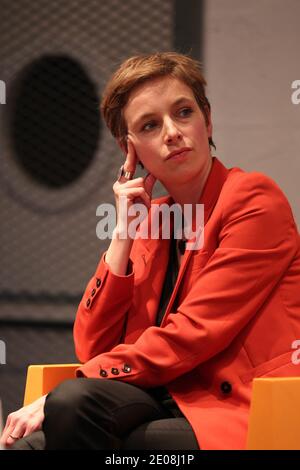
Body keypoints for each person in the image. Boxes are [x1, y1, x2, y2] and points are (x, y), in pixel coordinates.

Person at [1, 52, 300, 450]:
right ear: (131, 150)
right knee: (32, 443)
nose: (172, 132)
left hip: (243, 409)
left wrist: (59, 394)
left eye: (183, 112)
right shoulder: (152, 220)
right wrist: (122, 232)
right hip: (167, 401)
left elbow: (193, 333)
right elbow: (93, 345)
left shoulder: (252, 200)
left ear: (206, 120)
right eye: (150, 125)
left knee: (72, 405)